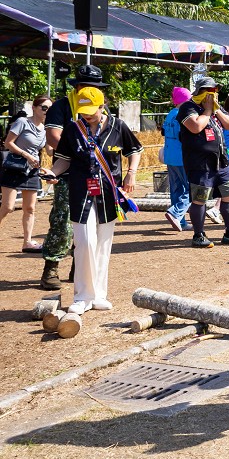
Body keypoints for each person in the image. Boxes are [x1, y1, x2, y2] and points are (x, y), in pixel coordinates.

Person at [46, 87, 141, 314]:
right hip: (81, 193)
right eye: (83, 111)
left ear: (102, 106)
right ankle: (82, 296)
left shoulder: (118, 126)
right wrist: (52, 173)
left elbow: (135, 150)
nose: (86, 115)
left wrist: (131, 173)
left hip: (109, 195)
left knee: (103, 245)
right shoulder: (73, 129)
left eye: (91, 111)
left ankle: (99, 295)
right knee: (85, 242)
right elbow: (64, 160)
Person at [39, 64, 108, 290]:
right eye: (86, 85)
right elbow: (53, 137)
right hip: (68, 172)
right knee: (62, 220)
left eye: (96, 86)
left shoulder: (101, 108)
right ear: (77, 87)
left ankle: (80, 266)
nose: (91, 90)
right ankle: (51, 267)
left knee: (92, 221)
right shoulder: (61, 107)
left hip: (94, 174)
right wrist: (79, 153)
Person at [176, 77, 229, 248]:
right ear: (199, 91)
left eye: (215, 91)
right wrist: (208, 111)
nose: (213, 94)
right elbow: (195, 127)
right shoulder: (188, 107)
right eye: (209, 90)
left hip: (221, 162)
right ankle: (198, 235)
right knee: (200, 199)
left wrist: (216, 110)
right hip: (200, 164)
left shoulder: (216, 108)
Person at [1, 95, 51, 252]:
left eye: (50, 109)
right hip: (15, 167)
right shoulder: (22, 122)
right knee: (8, 207)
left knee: (30, 208)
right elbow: (8, 143)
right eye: (44, 107)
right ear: (34, 108)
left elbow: (50, 151)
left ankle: (27, 242)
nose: (47, 111)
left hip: (32, 171)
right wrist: (26, 155)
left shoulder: (46, 129)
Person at [161, 86, 192, 232]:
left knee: (176, 189)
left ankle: (180, 221)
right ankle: (176, 212)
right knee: (193, 188)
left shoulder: (170, 114)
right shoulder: (183, 115)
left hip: (170, 156)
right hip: (182, 157)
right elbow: (183, 136)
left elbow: (163, 131)